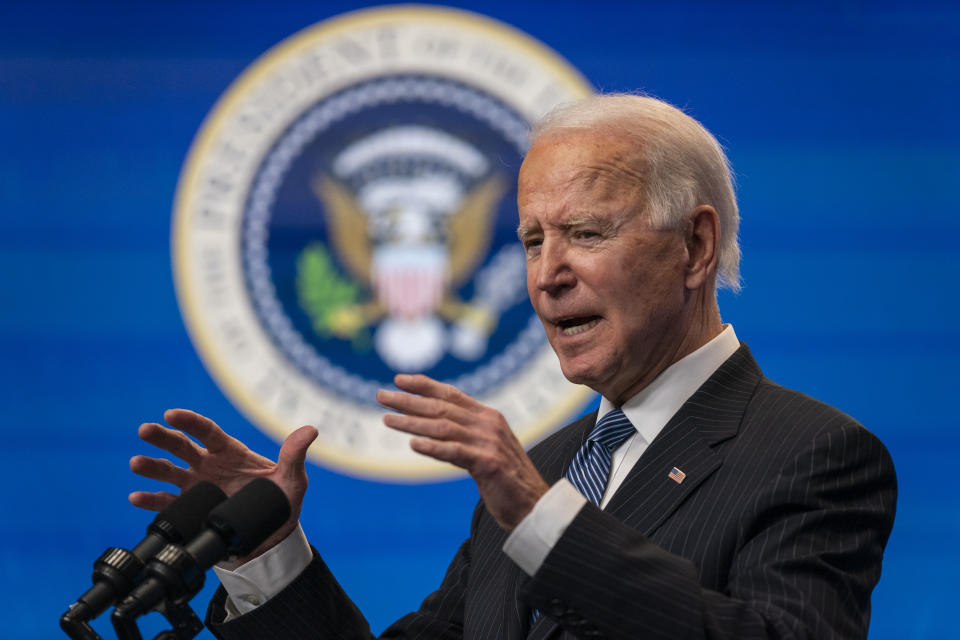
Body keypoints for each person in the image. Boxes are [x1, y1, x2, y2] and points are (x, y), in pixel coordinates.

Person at [130, 94, 897, 639]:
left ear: (694, 247)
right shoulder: (545, 470)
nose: (546, 275)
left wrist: (541, 518)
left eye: (586, 233)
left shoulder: (813, 457)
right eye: (533, 241)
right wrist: (269, 555)